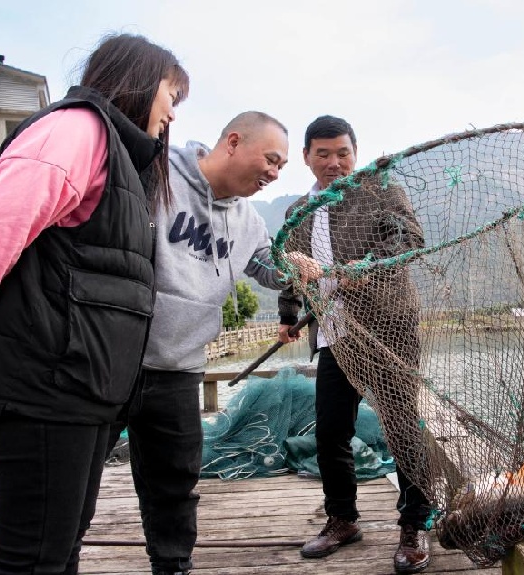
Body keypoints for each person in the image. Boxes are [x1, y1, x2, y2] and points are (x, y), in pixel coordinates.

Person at [0, 33, 189, 574]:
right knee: (30, 558)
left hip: (82, 387)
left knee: (60, 548)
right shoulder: (78, 127)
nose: (172, 114)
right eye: (171, 95)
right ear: (140, 80)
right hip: (44, 382)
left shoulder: (124, 160)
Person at [109, 111, 307, 575]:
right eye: (272, 160)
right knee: (74, 476)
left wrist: (294, 266)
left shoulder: (248, 220)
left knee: (176, 481)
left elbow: (267, 267)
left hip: (180, 366)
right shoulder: (158, 175)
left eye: (281, 168)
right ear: (234, 142)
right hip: (115, 357)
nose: (275, 173)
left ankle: (173, 565)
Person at [277, 115, 433, 574]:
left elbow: (408, 240)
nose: (334, 162)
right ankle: (342, 519)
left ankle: (414, 525)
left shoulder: (380, 191)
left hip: (389, 329)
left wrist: (351, 271)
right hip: (333, 335)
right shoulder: (295, 213)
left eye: (342, 152)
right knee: (330, 433)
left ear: (355, 153)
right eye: (322, 154)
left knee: (403, 427)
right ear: (306, 158)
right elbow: (292, 270)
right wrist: (288, 318)